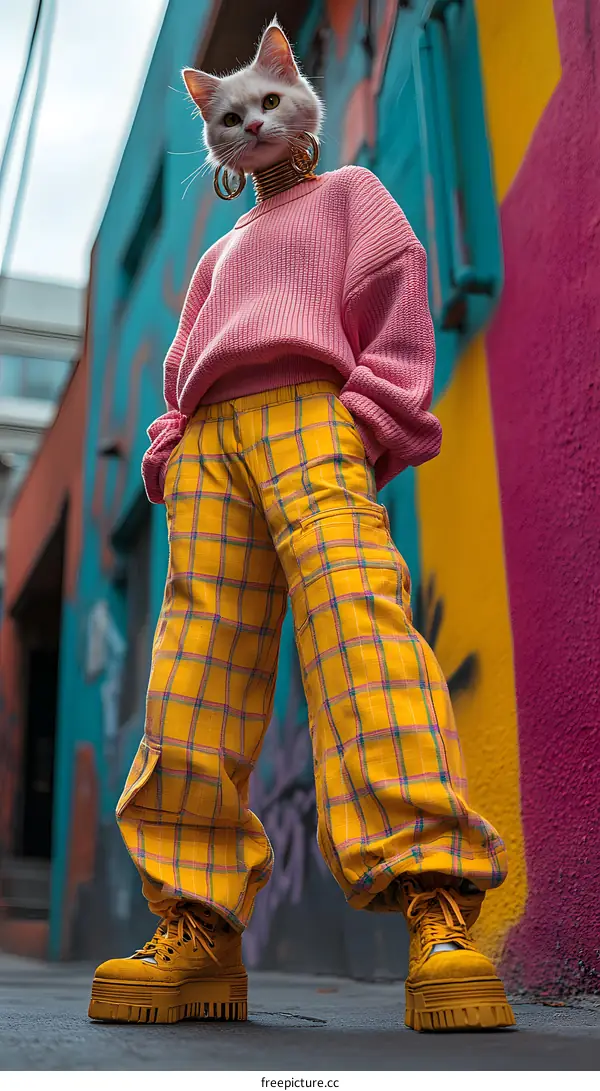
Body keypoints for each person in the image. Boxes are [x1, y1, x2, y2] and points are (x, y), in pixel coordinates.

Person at [88, 19, 514, 1033]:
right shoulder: (221, 252)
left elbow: (398, 294)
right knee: (192, 669)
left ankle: (437, 907)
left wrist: (360, 422)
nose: (251, 118)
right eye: (229, 115)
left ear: (302, 99)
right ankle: (196, 928)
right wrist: (170, 448)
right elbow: (184, 363)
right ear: (218, 142)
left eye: (267, 99)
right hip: (212, 452)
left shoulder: (353, 196)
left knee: (361, 633)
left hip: (312, 417)